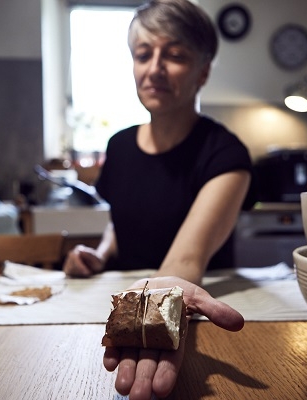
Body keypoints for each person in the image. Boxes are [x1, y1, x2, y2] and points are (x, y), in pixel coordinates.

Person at [63, 0, 256, 398]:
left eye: (175, 55)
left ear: (203, 72)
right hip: (124, 296)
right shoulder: (118, 146)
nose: (155, 69)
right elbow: (122, 219)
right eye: (143, 54)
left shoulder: (226, 154)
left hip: (189, 314)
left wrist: (159, 300)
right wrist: (100, 253)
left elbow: (189, 257)